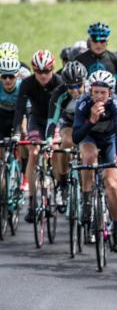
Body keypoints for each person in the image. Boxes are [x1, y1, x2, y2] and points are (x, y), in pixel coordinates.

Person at [72, 71, 117, 251]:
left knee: (111, 184)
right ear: (90, 91)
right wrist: (92, 120)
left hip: (110, 142)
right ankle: (87, 199)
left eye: (103, 92)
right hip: (89, 139)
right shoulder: (83, 104)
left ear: (110, 93)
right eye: (96, 92)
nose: (99, 96)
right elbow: (76, 137)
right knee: (89, 156)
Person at [13, 50, 63, 223]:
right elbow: (20, 109)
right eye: (39, 72)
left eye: (47, 71)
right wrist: (16, 132)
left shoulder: (59, 82)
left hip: (55, 121)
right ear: (34, 70)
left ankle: (59, 188)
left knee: (57, 151)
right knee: (34, 154)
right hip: (36, 120)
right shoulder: (27, 83)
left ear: (52, 69)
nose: (43, 75)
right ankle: (33, 203)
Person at [46, 61, 89, 207]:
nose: (75, 90)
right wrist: (49, 138)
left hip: (88, 123)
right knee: (67, 143)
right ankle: (62, 182)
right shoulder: (59, 93)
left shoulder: (92, 90)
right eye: (70, 86)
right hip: (69, 123)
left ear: (85, 81)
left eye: (78, 85)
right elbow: (52, 119)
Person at [0, 57, 22, 141]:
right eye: (4, 77)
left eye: (11, 76)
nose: (7, 80)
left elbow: (27, 112)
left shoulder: (22, 87)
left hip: (18, 115)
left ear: (17, 76)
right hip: (2, 115)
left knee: (23, 133)